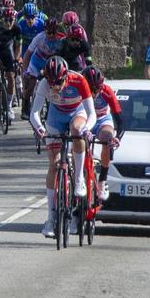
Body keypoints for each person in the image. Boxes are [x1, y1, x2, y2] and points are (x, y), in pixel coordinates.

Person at [29, 52, 97, 237]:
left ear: (66, 77)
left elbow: (92, 114)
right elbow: (34, 113)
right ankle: (51, 219)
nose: (56, 87)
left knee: (76, 130)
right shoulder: (44, 83)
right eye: (52, 83)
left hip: (77, 113)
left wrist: (86, 129)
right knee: (54, 164)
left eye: (59, 82)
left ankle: (78, 180)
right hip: (55, 117)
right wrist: (40, 129)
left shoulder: (79, 80)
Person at [81, 60, 122, 203]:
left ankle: (102, 181)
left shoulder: (107, 91)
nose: (94, 93)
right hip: (85, 120)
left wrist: (117, 138)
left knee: (107, 137)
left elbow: (119, 120)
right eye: (90, 89)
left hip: (102, 120)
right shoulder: (78, 89)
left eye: (97, 89)